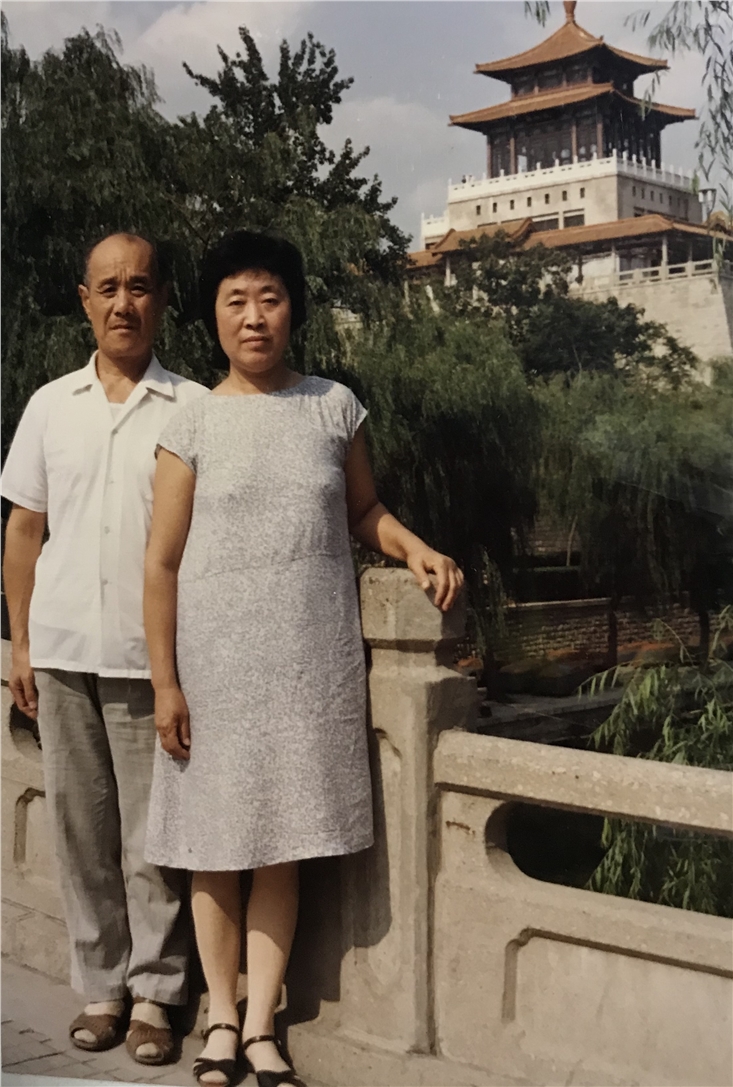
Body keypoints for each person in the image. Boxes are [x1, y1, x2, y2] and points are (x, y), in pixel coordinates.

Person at [143, 230, 464, 1087]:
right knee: (215, 847)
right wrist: (166, 682)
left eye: (270, 298)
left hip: (304, 664)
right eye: (235, 301)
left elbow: (362, 511)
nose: (254, 317)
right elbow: (160, 563)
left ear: (294, 310)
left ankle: (260, 1028)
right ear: (213, 317)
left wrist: (413, 547)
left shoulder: (334, 407)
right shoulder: (191, 421)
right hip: (214, 667)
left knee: (279, 846)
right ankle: (218, 1018)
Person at [1, 232, 209, 1064]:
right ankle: (101, 985)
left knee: (152, 834)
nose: (125, 302)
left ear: (162, 300)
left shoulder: (193, 407)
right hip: (60, 652)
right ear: (85, 301)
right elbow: (24, 528)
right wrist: (21, 642)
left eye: (140, 286)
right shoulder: (51, 405)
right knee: (81, 829)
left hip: (147, 657)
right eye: (109, 288)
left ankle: (157, 991)